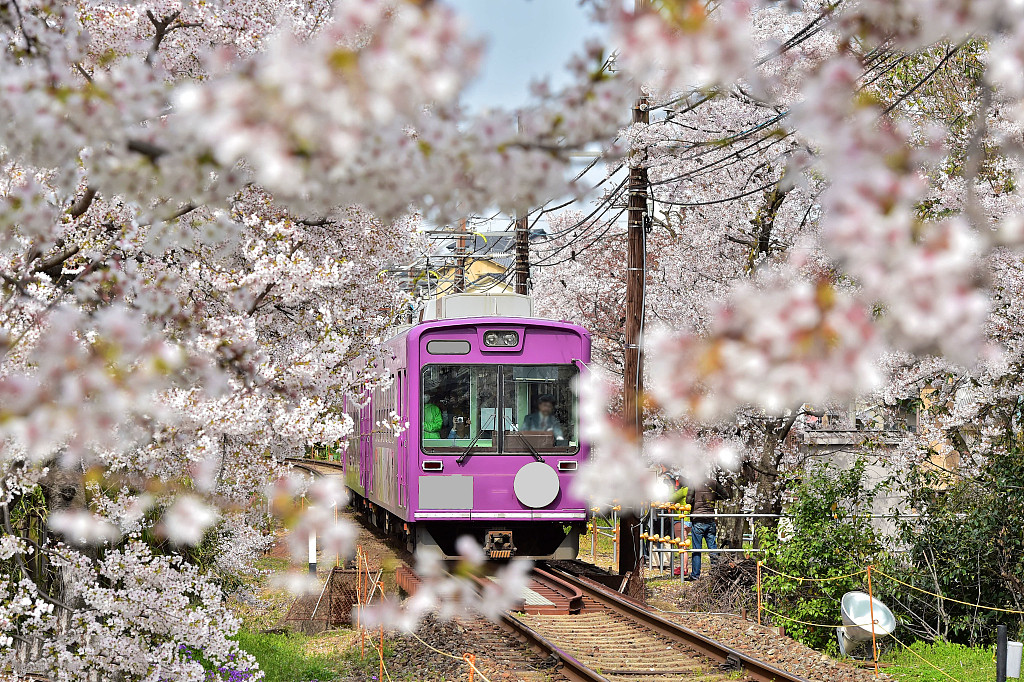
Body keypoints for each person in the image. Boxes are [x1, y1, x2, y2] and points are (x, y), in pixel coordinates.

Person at [684, 470, 729, 581]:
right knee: (712, 547)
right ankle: (715, 572)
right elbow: (725, 495)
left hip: (698, 519)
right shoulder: (713, 483)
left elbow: (688, 500)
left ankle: (695, 575)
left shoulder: (693, 483)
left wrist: (695, 499)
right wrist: (713, 497)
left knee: (697, 548)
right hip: (710, 519)